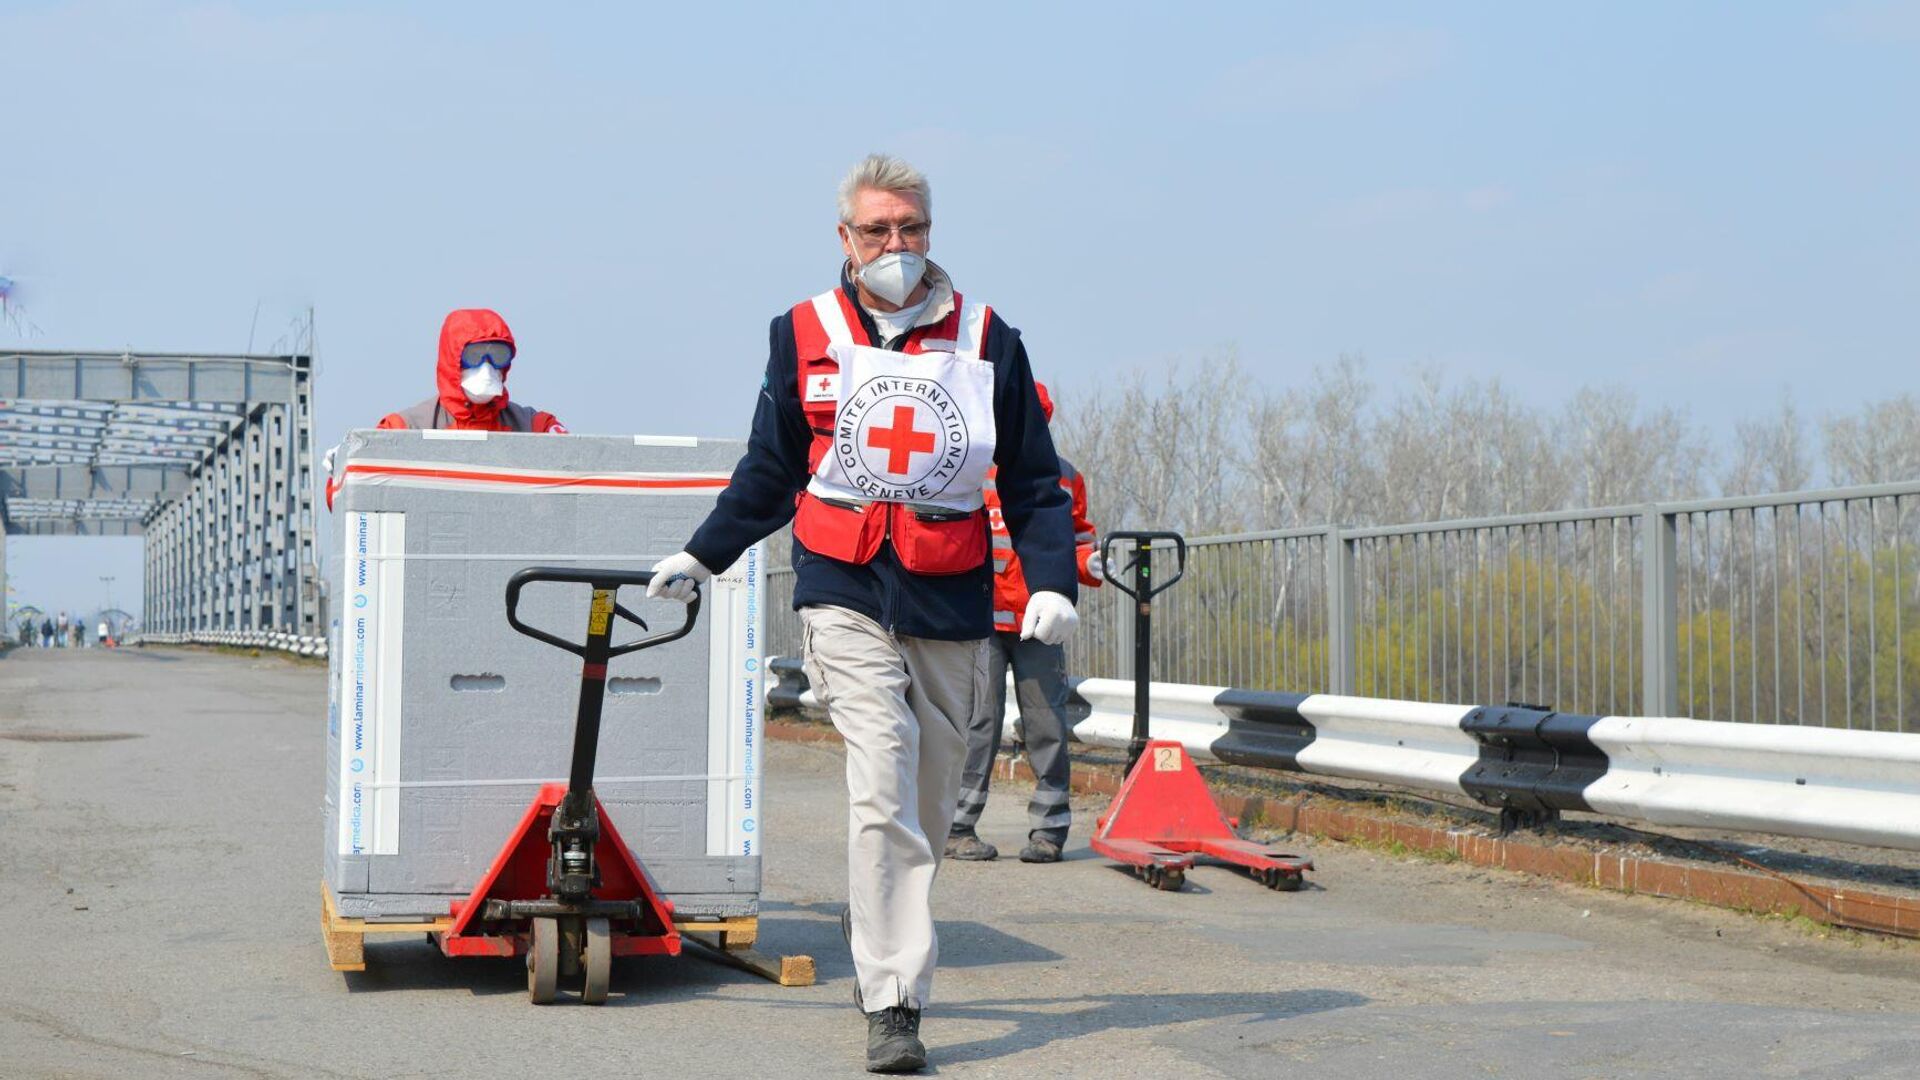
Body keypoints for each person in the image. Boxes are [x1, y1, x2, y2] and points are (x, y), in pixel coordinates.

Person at [645, 154, 1080, 1074]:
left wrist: (1050, 582)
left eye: (912, 228)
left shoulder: (988, 338)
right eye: (878, 230)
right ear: (844, 238)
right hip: (841, 584)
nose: (897, 245)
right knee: (883, 780)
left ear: (932, 233)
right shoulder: (801, 331)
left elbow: (1035, 482)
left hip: (949, 590)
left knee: (923, 804)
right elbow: (773, 468)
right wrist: (703, 552)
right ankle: (893, 999)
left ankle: (882, 935)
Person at [946, 382, 1104, 864]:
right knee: (978, 723)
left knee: (1046, 722)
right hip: (979, 618)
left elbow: (1075, 541)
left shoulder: (1064, 477)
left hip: (1040, 620)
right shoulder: (970, 471)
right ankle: (957, 827)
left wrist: (1088, 565)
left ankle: (1049, 832)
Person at [325, 308, 568, 508]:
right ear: (452, 358)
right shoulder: (404, 428)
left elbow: (579, 464)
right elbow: (348, 504)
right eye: (474, 356)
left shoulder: (535, 427)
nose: (487, 368)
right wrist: (344, 469)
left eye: (498, 355)